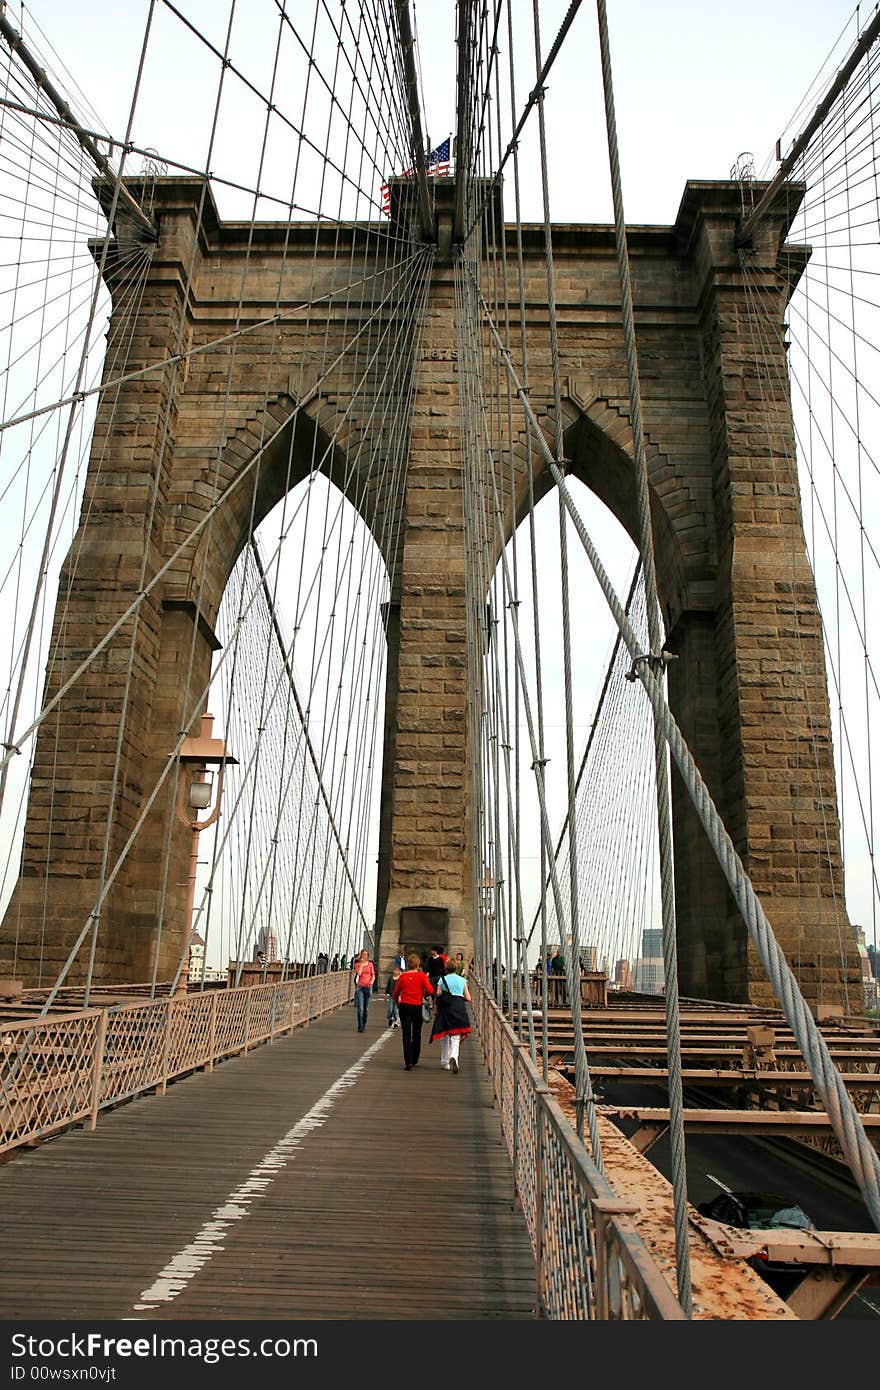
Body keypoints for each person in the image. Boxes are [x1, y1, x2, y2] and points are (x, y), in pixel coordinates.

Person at [392, 953, 434, 1069]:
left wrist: (397, 1003)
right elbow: (431, 990)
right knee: (417, 1034)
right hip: (417, 1007)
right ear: (418, 964)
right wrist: (424, 993)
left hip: (404, 1006)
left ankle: (408, 1061)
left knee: (406, 1034)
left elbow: (395, 993)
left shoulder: (402, 976)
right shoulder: (421, 976)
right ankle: (415, 1058)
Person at [430, 962, 471, 1072]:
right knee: (456, 1035)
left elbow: (438, 994)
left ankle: (445, 1062)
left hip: (445, 1007)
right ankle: (454, 1056)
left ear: (446, 969)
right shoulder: (462, 980)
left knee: (444, 1034)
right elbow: (468, 998)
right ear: (456, 969)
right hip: (458, 1006)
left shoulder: (442, 980)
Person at [353, 949, 376, 1032]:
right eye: (363, 954)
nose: (365, 956)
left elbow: (373, 975)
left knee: (366, 1009)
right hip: (360, 987)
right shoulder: (357, 964)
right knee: (360, 1008)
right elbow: (359, 973)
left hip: (368, 987)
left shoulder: (370, 964)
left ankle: (364, 1023)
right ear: (361, 955)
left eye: (366, 954)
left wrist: (372, 981)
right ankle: (360, 1026)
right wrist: (362, 965)